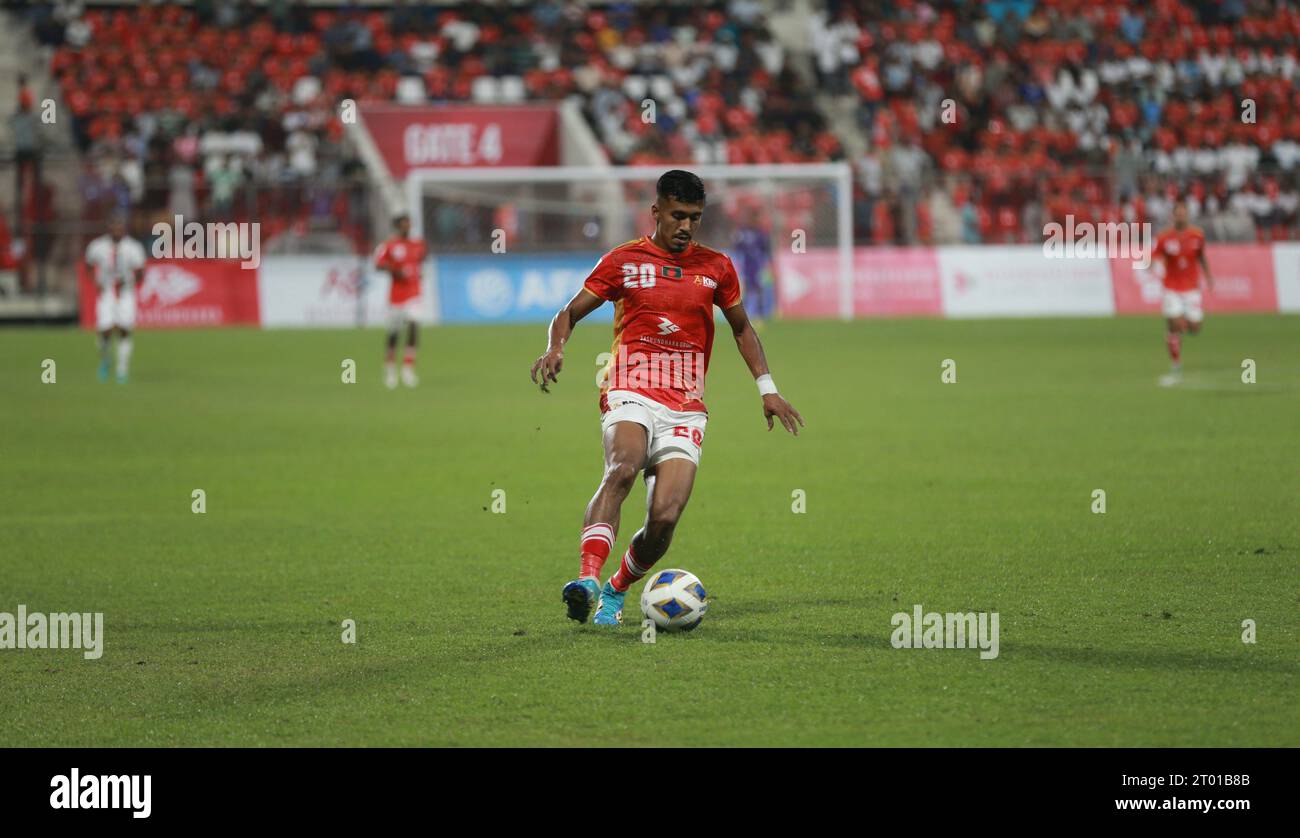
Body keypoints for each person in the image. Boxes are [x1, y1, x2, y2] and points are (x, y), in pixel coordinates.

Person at [530, 170, 804, 626]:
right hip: (630, 388)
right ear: (656, 211)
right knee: (622, 467)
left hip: (686, 405)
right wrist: (556, 347)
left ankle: (617, 588)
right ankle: (587, 579)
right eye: (677, 215)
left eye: (695, 218)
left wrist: (768, 389)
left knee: (665, 518)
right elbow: (569, 312)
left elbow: (741, 328)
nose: (686, 226)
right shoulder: (623, 260)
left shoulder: (717, 267)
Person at [1153, 198, 1215, 385]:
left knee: (1195, 327)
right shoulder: (1164, 237)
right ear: (1173, 215)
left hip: (1191, 288)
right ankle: (1176, 363)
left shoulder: (1197, 235)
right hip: (1171, 287)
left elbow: (1201, 257)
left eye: (1183, 212)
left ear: (1187, 214)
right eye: (1177, 213)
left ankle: (1175, 334)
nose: (1180, 215)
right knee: (1174, 323)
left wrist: (1208, 276)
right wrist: (1150, 264)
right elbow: (1155, 255)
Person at [85, 214, 146, 383]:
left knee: (124, 329)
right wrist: (95, 282)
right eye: (114, 225)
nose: (117, 229)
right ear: (109, 227)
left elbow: (140, 271)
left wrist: (130, 282)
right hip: (107, 291)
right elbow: (88, 265)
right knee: (104, 329)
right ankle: (105, 359)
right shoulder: (97, 246)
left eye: (120, 226)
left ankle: (122, 369)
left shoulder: (133, 247)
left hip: (125, 292)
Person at [373, 213, 426, 388]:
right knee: (394, 333)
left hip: (414, 293)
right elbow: (378, 265)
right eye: (404, 225)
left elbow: (422, 259)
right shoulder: (389, 245)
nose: (407, 227)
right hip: (396, 295)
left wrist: (419, 273)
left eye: (409, 224)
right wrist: (395, 271)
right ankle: (390, 369)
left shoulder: (418, 244)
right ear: (397, 226)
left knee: (413, 325)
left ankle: (408, 368)